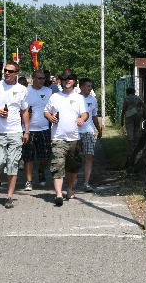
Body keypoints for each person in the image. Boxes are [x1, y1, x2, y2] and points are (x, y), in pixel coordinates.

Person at [0, 62, 30, 209]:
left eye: (10, 71)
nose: (7, 73)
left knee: (12, 165)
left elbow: (24, 110)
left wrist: (26, 131)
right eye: (5, 70)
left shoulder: (22, 89)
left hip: (15, 132)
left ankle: (9, 196)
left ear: (16, 73)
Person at [43, 69, 88, 206]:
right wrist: (50, 117)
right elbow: (46, 111)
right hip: (58, 137)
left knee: (73, 166)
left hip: (74, 138)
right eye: (65, 79)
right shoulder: (55, 96)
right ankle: (58, 194)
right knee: (57, 165)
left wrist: (82, 119)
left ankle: (69, 189)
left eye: (70, 78)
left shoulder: (79, 98)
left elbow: (85, 113)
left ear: (74, 81)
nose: (67, 81)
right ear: (61, 82)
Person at [22, 70, 53, 191]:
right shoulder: (26, 91)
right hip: (28, 129)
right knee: (28, 157)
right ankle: (28, 181)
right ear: (33, 78)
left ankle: (41, 171)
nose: (42, 80)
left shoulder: (48, 91)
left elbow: (53, 108)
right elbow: (20, 109)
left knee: (45, 156)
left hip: (44, 128)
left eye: (44, 78)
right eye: (40, 78)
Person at [77, 78, 103, 192]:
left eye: (91, 86)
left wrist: (99, 130)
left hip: (89, 131)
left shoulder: (93, 100)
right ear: (82, 87)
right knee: (75, 157)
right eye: (88, 86)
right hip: (75, 132)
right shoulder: (75, 99)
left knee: (89, 156)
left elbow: (94, 117)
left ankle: (86, 183)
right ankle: (74, 178)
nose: (90, 88)